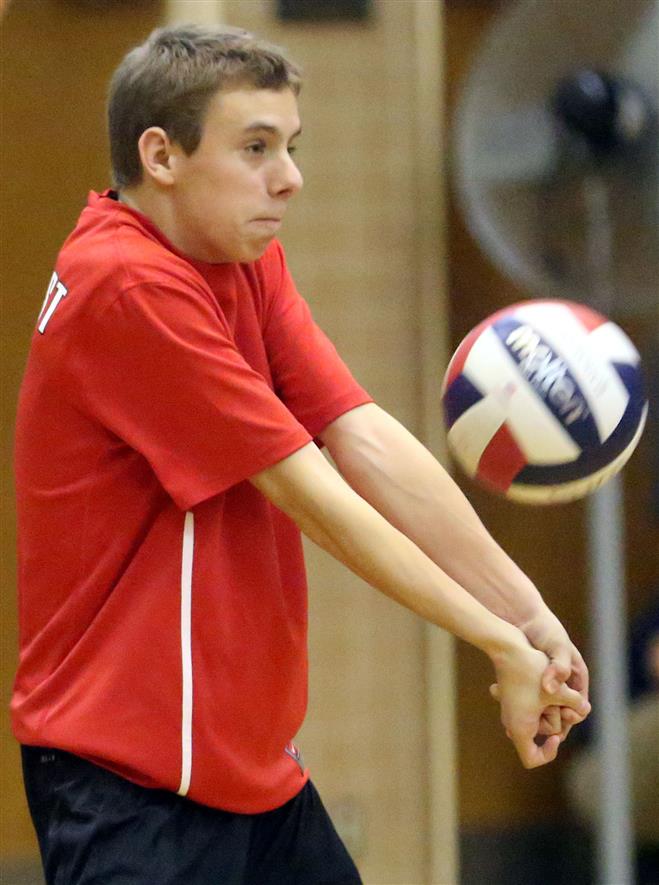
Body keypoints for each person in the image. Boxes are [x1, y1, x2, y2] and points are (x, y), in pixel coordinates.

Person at [11, 24, 590, 885]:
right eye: (255, 147)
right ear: (161, 155)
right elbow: (315, 496)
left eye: (290, 145)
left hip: (250, 773)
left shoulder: (241, 260)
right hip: (132, 785)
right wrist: (494, 641)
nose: (289, 176)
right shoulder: (127, 283)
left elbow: (359, 433)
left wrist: (526, 614)